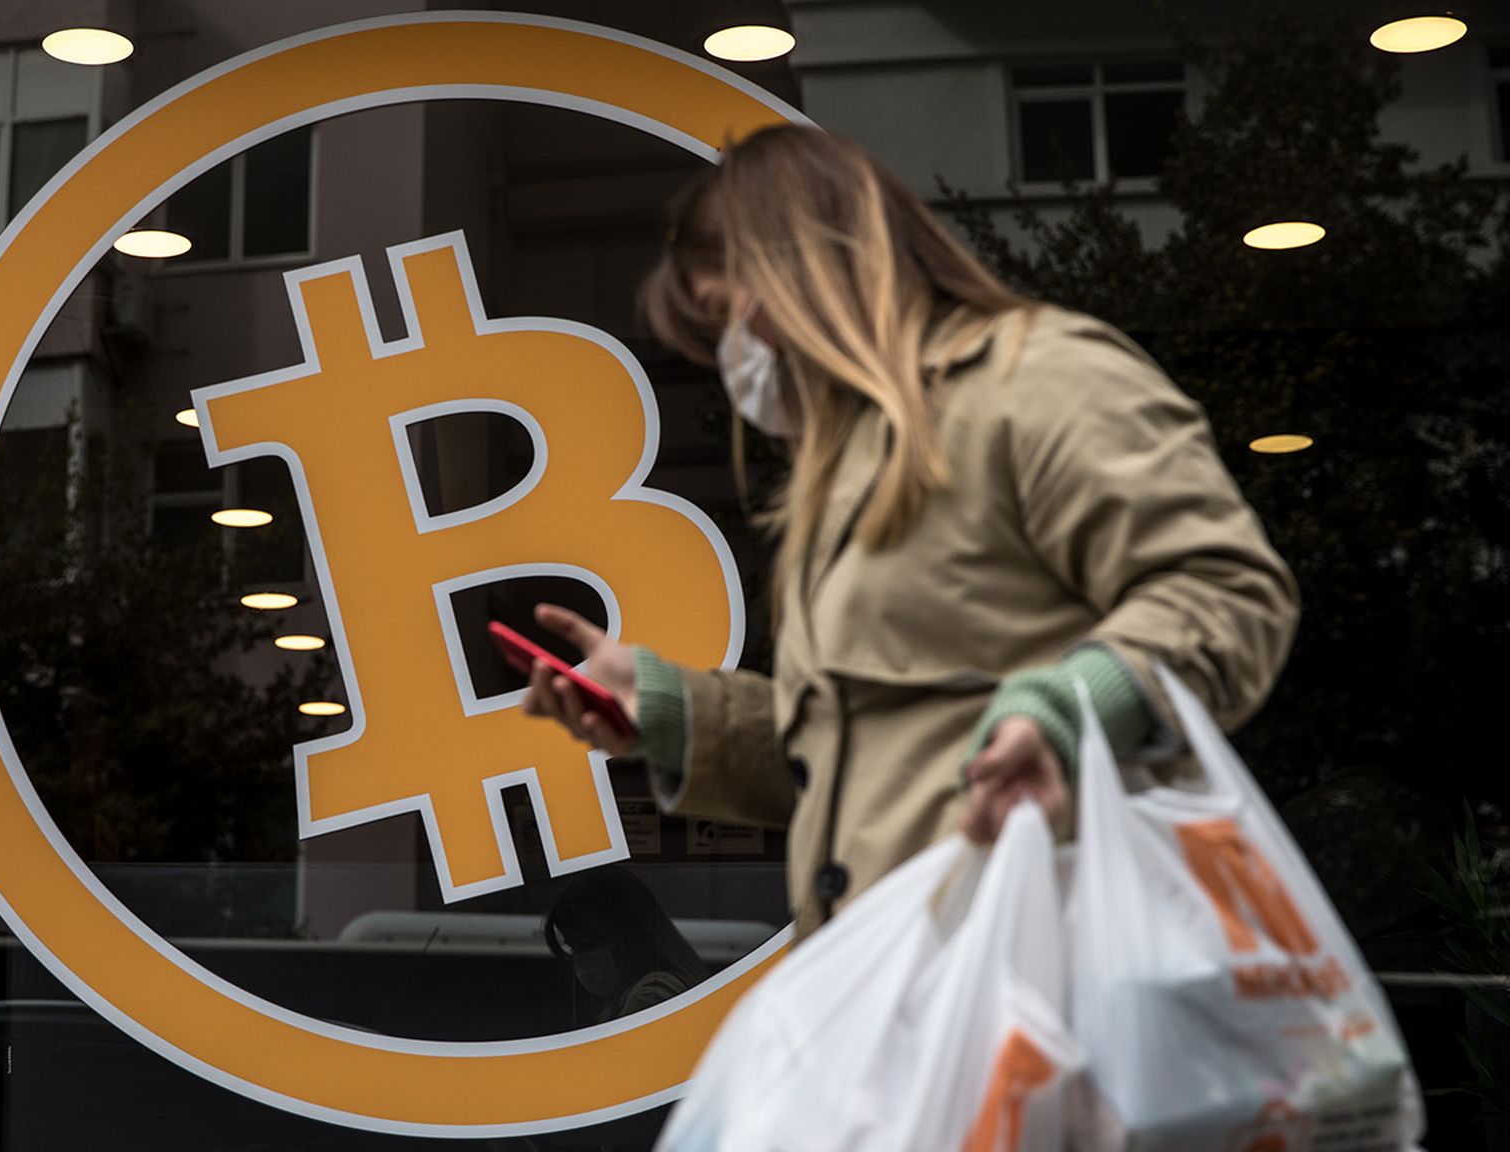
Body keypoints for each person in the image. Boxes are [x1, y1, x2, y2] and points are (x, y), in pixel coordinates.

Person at [519, 124, 1299, 938]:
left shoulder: (1039, 378)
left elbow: (1228, 591)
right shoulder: (857, 460)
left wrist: (1072, 710)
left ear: (801, 273)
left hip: (1048, 964)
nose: (736, 356)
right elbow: (867, 753)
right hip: (917, 975)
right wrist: (670, 710)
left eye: (728, 317)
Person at [542, 866, 709, 1023]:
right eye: (574, 947)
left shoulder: (650, 995)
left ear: (632, 932)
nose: (583, 958)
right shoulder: (636, 994)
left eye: (591, 942)